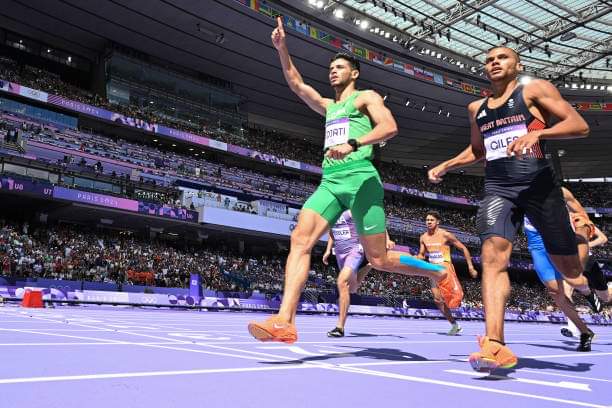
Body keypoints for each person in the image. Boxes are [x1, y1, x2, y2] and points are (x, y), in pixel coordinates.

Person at [247, 17, 455, 344]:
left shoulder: (365, 97)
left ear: (354, 73)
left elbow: (389, 127)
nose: (333, 71)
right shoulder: (330, 106)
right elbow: (296, 84)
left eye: (340, 67)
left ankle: (439, 271)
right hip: (330, 181)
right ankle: (285, 321)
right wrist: (282, 48)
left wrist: (354, 143)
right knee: (300, 239)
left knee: (379, 259)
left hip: (361, 179)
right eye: (331, 68)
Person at [427, 46, 599, 372]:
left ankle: (585, 276)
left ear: (518, 65)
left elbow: (579, 125)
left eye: (502, 57)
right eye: (489, 59)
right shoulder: (476, 108)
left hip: (539, 185)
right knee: (492, 255)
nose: (494, 62)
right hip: (499, 188)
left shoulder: (534, 90)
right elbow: (478, 150)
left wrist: (539, 133)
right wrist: (447, 164)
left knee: (570, 271)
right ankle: (495, 343)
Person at [524, 215, 595, 351]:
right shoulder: (519, 201)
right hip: (538, 248)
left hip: (559, 245)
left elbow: (581, 216)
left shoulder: (563, 200)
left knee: (575, 281)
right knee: (556, 293)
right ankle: (585, 332)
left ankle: (588, 293)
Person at [323, 210, 395, 337]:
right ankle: (369, 265)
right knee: (352, 289)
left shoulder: (351, 211)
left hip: (355, 251)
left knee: (342, 282)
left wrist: (387, 240)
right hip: (339, 253)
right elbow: (331, 232)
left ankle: (340, 328)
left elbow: (376, 221)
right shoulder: (333, 213)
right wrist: (328, 250)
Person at [417, 211, 478, 335]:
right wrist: (416, 258)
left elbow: (463, 248)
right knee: (437, 299)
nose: (429, 222)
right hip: (432, 269)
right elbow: (422, 254)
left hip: (445, 267)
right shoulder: (423, 237)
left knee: (454, 297)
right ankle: (455, 325)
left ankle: (458, 299)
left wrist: (471, 267)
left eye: (431, 220)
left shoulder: (445, 235)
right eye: (427, 220)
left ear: (437, 222)